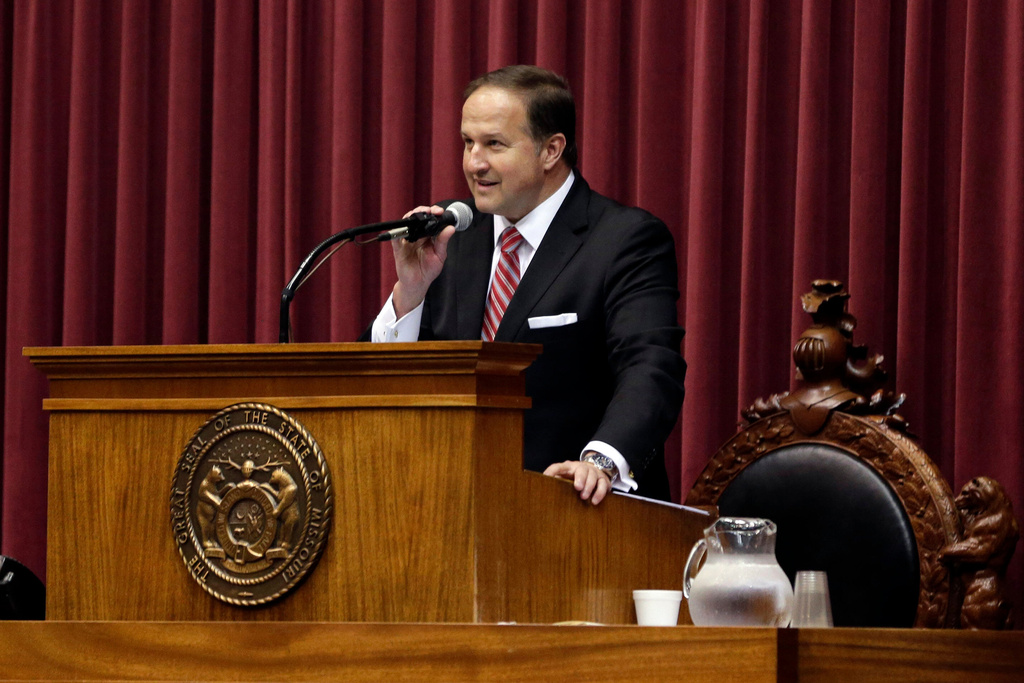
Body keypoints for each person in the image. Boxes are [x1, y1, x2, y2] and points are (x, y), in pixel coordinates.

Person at [370, 65, 685, 505]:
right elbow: (397, 389)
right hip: (453, 507)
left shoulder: (624, 240)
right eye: (468, 142)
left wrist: (601, 462)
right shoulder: (450, 232)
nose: (474, 162)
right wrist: (412, 293)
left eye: (494, 144)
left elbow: (651, 368)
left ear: (551, 150)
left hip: (577, 511)